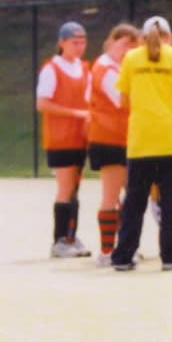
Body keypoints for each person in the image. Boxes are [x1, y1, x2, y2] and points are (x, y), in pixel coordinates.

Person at [109, 16, 172, 271]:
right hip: (171, 139)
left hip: (141, 139)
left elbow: (123, 100)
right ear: (168, 35)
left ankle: (124, 255)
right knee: (171, 201)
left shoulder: (131, 59)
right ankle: (171, 255)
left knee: (134, 201)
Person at [36, 21, 92, 258]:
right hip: (61, 138)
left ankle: (71, 236)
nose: (79, 47)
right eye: (74, 42)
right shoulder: (51, 68)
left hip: (82, 137)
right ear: (62, 43)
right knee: (65, 187)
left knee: (75, 188)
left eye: (82, 42)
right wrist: (76, 113)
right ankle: (60, 239)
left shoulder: (85, 68)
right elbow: (43, 103)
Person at [87, 22, 140, 266]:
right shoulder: (105, 68)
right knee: (111, 195)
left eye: (133, 45)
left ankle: (123, 245)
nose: (128, 49)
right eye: (125, 43)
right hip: (108, 139)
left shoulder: (120, 67)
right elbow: (122, 101)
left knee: (130, 196)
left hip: (125, 138)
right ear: (112, 41)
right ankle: (107, 252)